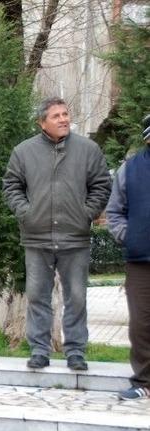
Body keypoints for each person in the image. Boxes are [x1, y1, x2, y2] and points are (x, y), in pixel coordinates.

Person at [3, 97, 111, 371]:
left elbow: (101, 184)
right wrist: (26, 213)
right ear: (42, 122)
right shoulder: (23, 151)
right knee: (37, 295)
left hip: (75, 237)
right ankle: (39, 350)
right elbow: (11, 186)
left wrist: (86, 213)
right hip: (36, 236)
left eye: (65, 114)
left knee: (77, 296)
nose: (63, 119)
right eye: (56, 116)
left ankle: (75, 352)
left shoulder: (88, 149)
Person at [106, 113, 150, 400]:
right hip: (140, 260)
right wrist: (130, 235)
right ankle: (144, 382)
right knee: (142, 323)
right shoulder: (130, 168)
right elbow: (114, 212)